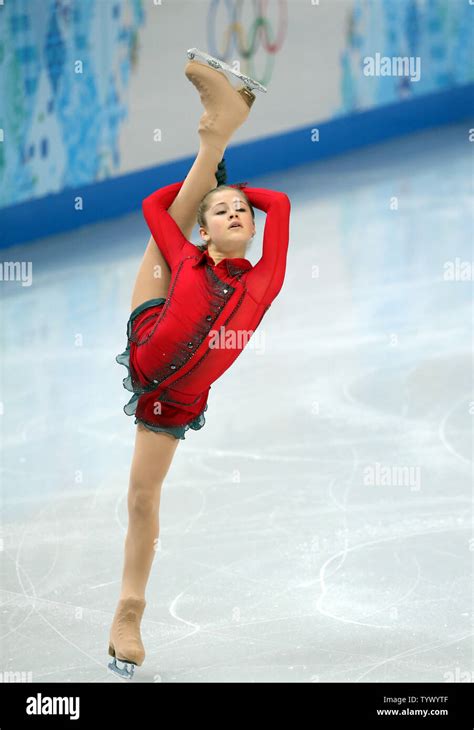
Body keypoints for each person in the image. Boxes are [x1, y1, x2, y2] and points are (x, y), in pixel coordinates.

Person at [108, 51, 291, 679]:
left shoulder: (264, 281)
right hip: (151, 324)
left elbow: (282, 204)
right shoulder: (186, 256)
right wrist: (212, 183)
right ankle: (219, 127)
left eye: (243, 209)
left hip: (174, 399)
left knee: (142, 497)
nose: (238, 212)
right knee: (138, 497)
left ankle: (129, 614)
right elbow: (158, 209)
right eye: (223, 212)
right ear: (209, 232)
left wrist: (227, 186)